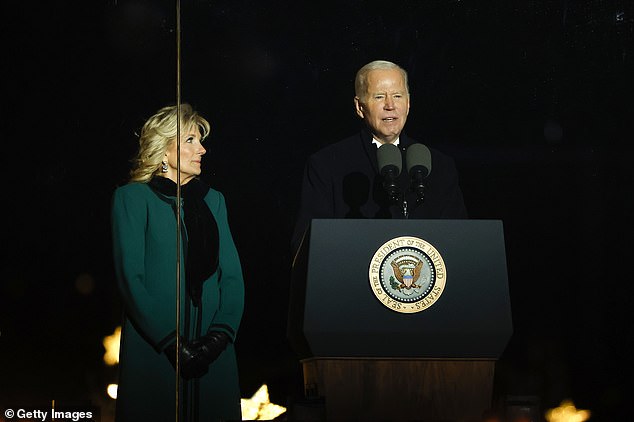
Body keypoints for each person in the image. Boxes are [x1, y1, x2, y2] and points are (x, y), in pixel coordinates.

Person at [111, 103, 245, 421]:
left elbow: (233, 279)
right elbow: (131, 279)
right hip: (156, 350)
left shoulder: (214, 200)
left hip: (212, 353)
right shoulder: (132, 198)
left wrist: (218, 338)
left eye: (200, 140)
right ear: (162, 149)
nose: (202, 148)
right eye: (190, 140)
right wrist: (172, 343)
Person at [291, 60, 468, 254]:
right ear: (360, 107)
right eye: (379, 97)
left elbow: (459, 242)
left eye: (397, 96)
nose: (390, 105)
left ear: (408, 104)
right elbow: (307, 245)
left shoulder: (439, 165)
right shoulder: (327, 164)